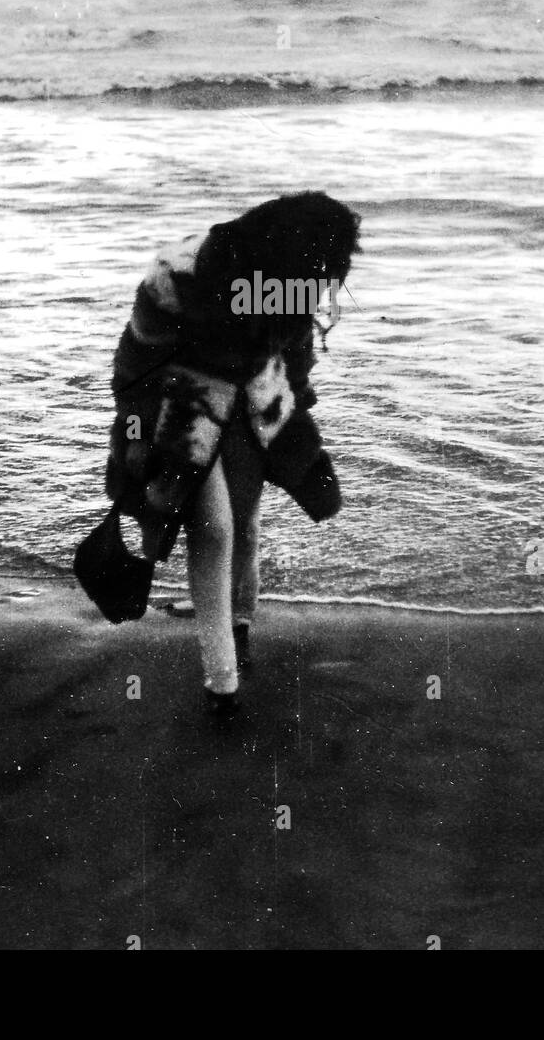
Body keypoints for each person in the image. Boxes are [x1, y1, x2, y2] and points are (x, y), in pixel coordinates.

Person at [74, 190, 361, 715]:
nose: (322, 284)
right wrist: (136, 448)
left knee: (245, 524)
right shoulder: (176, 277)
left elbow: (294, 363)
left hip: (251, 406)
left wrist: (295, 417)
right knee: (215, 531)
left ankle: (238, 623)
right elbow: (132, 370)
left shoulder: (291, 281)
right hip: (181, 417)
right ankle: (221, 683)